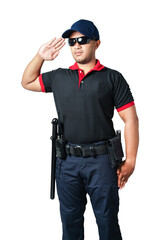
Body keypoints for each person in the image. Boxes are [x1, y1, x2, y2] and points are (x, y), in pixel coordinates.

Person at [21, 19, 139, 240]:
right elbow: (27, 82)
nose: (76, 45)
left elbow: (130, 119)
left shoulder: (112, 78)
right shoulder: (59, 77)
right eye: (72, 41)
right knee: (70, 224)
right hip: (67, 162)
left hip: (103, 162)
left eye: (83, 40)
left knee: (107, 223)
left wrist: (130, 160)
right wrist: (40, 57)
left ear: (96, 43)